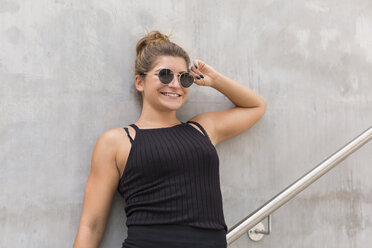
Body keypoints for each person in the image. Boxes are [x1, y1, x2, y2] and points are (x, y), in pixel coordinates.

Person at [73, 30, 266, 248]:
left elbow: (256, 106)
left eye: (184, 78)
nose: (175, 84)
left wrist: (215, 80)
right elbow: (92, 226)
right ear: (140, 82)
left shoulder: (202, 129)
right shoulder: (117, 141)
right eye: (165, 75)